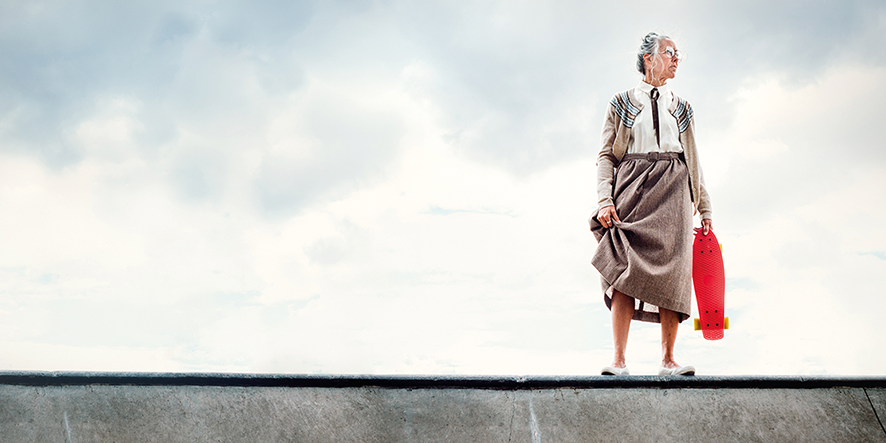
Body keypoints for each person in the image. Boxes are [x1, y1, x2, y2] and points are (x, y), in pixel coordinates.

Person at [589, 32, 713, 376]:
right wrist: (604, 198)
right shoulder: (621, 102)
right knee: (624, 271)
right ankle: (618, 360)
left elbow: (694, 160)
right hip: (630, 189)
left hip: (674, 193)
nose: (676, 58)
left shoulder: (683, 107)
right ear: (648, 58)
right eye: (669, 52)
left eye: (678, 54)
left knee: (674, 276)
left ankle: (669, 360)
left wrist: (704, 208)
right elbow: (605, 155)